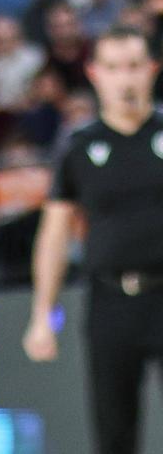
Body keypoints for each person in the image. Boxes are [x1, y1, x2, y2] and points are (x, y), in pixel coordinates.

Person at [23, 24, 163, 454]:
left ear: (152, 70)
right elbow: (54, 234)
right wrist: (42, 314)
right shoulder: (79, 146)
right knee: (114, 432)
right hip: (110, 302)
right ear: (95, 73)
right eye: (115, 67)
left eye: (135, 66)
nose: (126, 78)